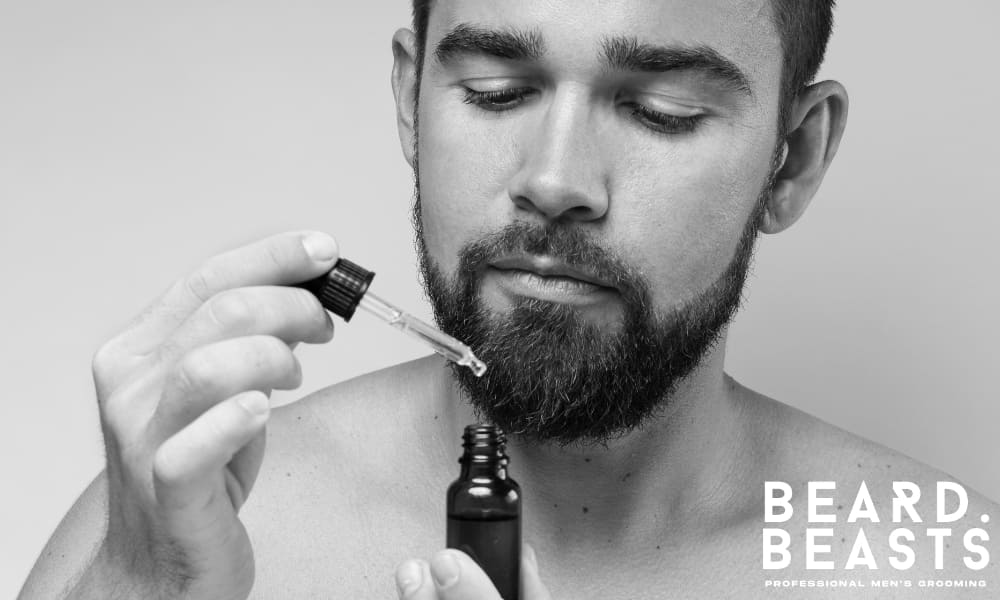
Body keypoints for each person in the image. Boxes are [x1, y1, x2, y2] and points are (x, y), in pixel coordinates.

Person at [19, 0, 999, 598]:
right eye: (494, 90)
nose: (555, 178)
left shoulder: (939, 573)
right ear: (411, 101)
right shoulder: (183, 526)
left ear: (792, 159)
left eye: (661, 113)